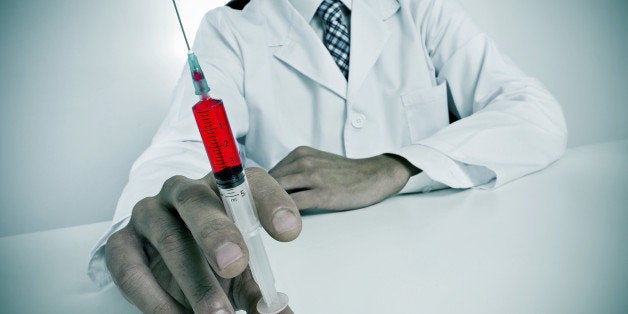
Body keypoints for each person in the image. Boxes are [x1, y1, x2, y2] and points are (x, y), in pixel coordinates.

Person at [88, 0, 567, 312]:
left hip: (449, 269)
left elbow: (535, 113)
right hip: (313, 272)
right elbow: (180, 146)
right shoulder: (230, 27)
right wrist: (151, 220)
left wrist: (393, 165)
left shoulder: (421, 7)